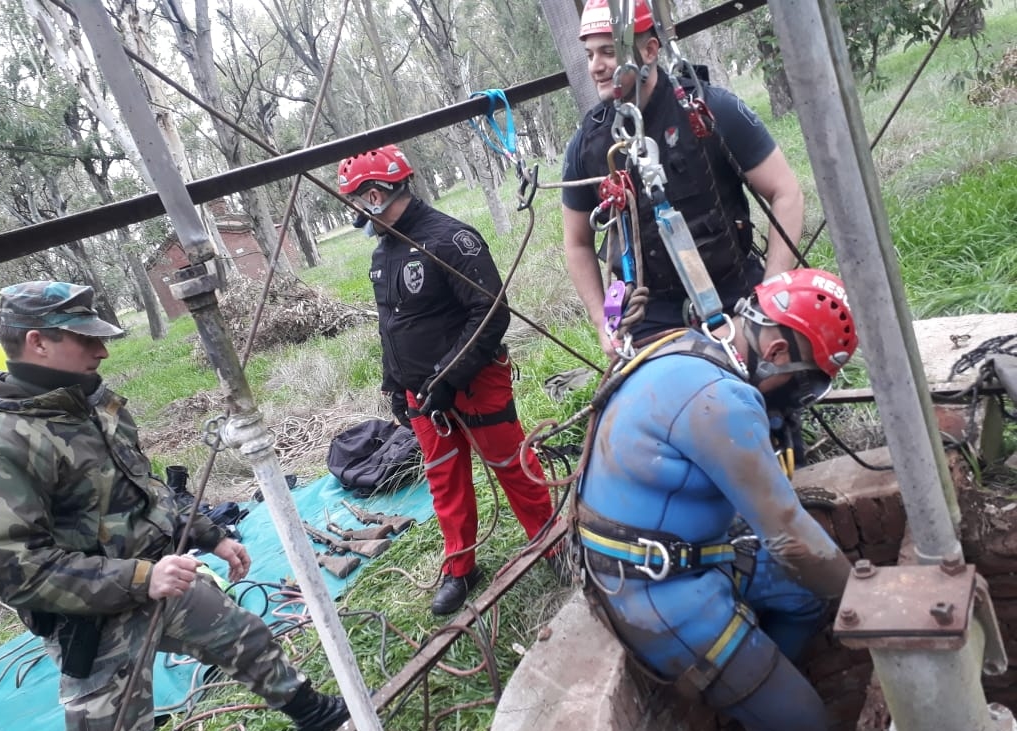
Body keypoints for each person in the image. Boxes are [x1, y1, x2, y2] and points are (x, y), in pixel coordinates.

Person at [0, 281, 348, 731]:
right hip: (91, 621)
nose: (102, 352)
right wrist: (142, 578)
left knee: (244, 637)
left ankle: (318, 716)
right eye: (85, 338)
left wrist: (207, 534)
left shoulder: (92, 401)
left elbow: (144, 490)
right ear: (38, 342)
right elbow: (19, 573)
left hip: (161, 578)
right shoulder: (1, 441)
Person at [574, 268, 858, 731]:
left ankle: (758, 693)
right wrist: (867, 599)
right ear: (777, 352)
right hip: (657, 593)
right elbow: (789, 534)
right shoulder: (721, 398)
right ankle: (772, 703)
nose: (798, 398)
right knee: (810, 723)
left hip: (688, 555)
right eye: (804, 384)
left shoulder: (692, 346)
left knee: (803, 598)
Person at [338, 145, 559, 615]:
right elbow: (391, 325)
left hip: (475, 384)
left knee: (511, 467)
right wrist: (394, 384)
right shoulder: (384, 254)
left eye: (357, 201)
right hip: (423, 396)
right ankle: (460, 567)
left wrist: (449, 376)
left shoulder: (450, 240)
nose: (355, 213)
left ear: (375, 195)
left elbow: (491, 311)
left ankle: (555, 545)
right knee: (444, 482)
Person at [562, 0, 805, 358]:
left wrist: (769, 299)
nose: (595, 67)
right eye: (590, 54)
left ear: (649, 50)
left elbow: (786, 192)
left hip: (735, 296)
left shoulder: (711, 110)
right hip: (647, 319)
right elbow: (578, 243)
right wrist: (604, 323)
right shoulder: (589, 144)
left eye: (608, 53)